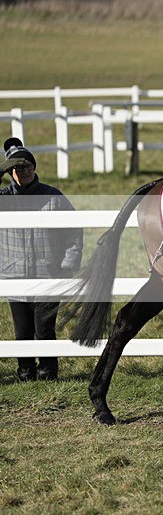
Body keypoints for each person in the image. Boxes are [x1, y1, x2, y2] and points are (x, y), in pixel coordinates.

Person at [0, 138, 83, 382]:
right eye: (18, 167)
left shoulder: (53, 197)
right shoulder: (4, 199)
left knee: (44, 328)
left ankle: (48, 371)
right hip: (14, 275)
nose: (24, 171)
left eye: (28, 166)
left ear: (35, 168)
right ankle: (25, 371)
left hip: (48, 273)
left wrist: (68, 264)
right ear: (10, 171)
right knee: (22, 330)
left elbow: (74, 231)